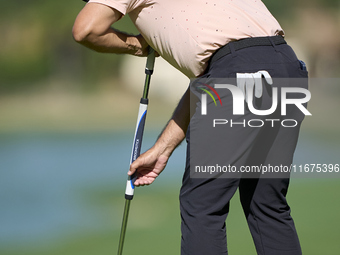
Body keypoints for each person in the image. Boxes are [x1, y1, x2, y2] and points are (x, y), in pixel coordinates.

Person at [73, 1, 308, 254]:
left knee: (202, 206)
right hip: (286, 67)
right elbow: (212, 79)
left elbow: (86, 29)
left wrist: (137, 46)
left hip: (237, 72)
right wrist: (163, 148)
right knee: (267, 205)